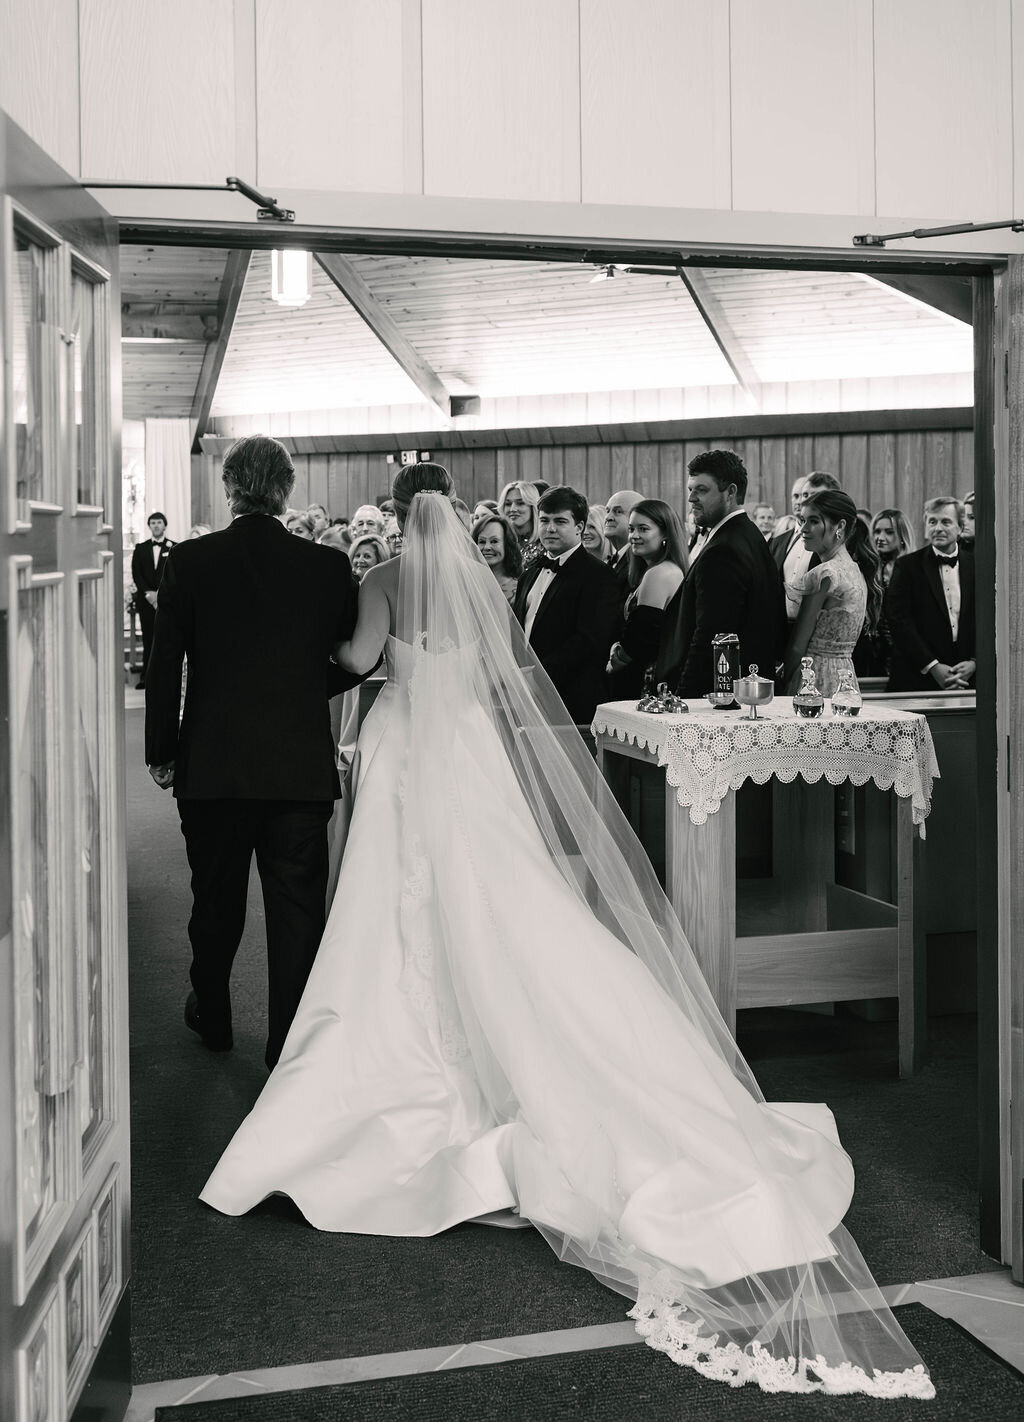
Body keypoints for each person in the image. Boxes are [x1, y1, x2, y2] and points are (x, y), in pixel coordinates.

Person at [199, 460, 933, 1402]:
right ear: (455, 511)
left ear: (394, 511)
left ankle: (400, 1054)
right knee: (506, 898)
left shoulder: (381, 581)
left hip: (401, 753)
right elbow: (501, 678)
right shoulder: (481, 581)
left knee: (392, 907)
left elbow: (353, 662)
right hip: (467, 755)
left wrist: (358, 657)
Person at [144, 435, 366, 1070]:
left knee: (214, 898)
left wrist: (163, 748)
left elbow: (165, 666)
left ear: (228, 487)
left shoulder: (189, 561)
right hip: (297, 766)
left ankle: (212, 1013)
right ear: (287, 490)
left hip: (212, 763)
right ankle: (287, 1047)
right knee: (297, 910)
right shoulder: (326, 567)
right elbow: (352, 658)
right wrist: (299, 689)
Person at [666, 451, 785, 696]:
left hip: (717, 697)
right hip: (744, 689)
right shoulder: (748, 535)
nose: (691, 498)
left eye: (701, 490)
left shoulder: (724, 549)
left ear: (730, 492)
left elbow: (712, 636)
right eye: (690, 489)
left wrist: (683, 696)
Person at [512, 485, 621, 727]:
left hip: (572, 697)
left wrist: (538, 677)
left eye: (560, 521)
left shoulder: (598, 575)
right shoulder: (529, 574)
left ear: (579, 527)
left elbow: (590, 641)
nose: (549, 528)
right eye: (544, 520)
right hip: (525, 697)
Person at [782, 490, 880, 697]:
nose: (804, 530)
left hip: (813, 677)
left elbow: (798, 646)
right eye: (803, 521)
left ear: (840, 526)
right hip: (845, 678)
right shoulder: (854, 570)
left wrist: (783, 682)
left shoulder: (825, 574)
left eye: (814, 521)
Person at [885, 496, 975, 692]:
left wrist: (975, 662)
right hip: (916, 678)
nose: (938, 528)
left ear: (960, 527)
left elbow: (989, 620)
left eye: (946, 522)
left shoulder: (978, 565)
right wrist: (932, 666)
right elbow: (898, 621)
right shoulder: (907, 566)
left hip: (969, 679)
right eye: (932, 521)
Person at [606, 499, 687, 699]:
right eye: (632, 528)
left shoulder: (659, 573)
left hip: (647, 683)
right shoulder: (660, 570)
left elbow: (640, 637)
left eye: (643, 529)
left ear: (666, 533)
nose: (634, 536)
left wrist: (616, 657)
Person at [869, 508, 916, 678]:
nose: (880, 538)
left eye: (889, 532)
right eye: (877, 531)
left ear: (902, 536)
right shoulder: (871, 568)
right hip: (874, 653)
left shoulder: (913, 568)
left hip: (906, 653)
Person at [131, 511, 176, 688]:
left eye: (159, 522)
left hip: (166, 601)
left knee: (166, 637)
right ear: (149, 526)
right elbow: (137, 574)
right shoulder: (140, 548)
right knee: (148, 638)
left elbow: (174, 573)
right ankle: (146, 677)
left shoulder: (174, 547)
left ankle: (165, 677)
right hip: (146, 601)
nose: (156, 525)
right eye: (153, 523)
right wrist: (149, 594)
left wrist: (161, 594)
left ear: (164, 525)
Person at [472, 510, 523, 601]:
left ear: (507, 545)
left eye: (494, 541)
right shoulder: (467, 585)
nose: (487, 547)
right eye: (482, 542)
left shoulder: (521, 591)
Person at [603, 488, 644, 595]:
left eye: (618, 512)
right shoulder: (614, 559)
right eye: (607, 511)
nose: (608, 517)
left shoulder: (641, 563)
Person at [498, 479, 543, 569]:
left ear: (532, 507)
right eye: (508, 504)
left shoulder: (546, 542)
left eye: (520, 503)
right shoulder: (499, 541)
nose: (513, 509)